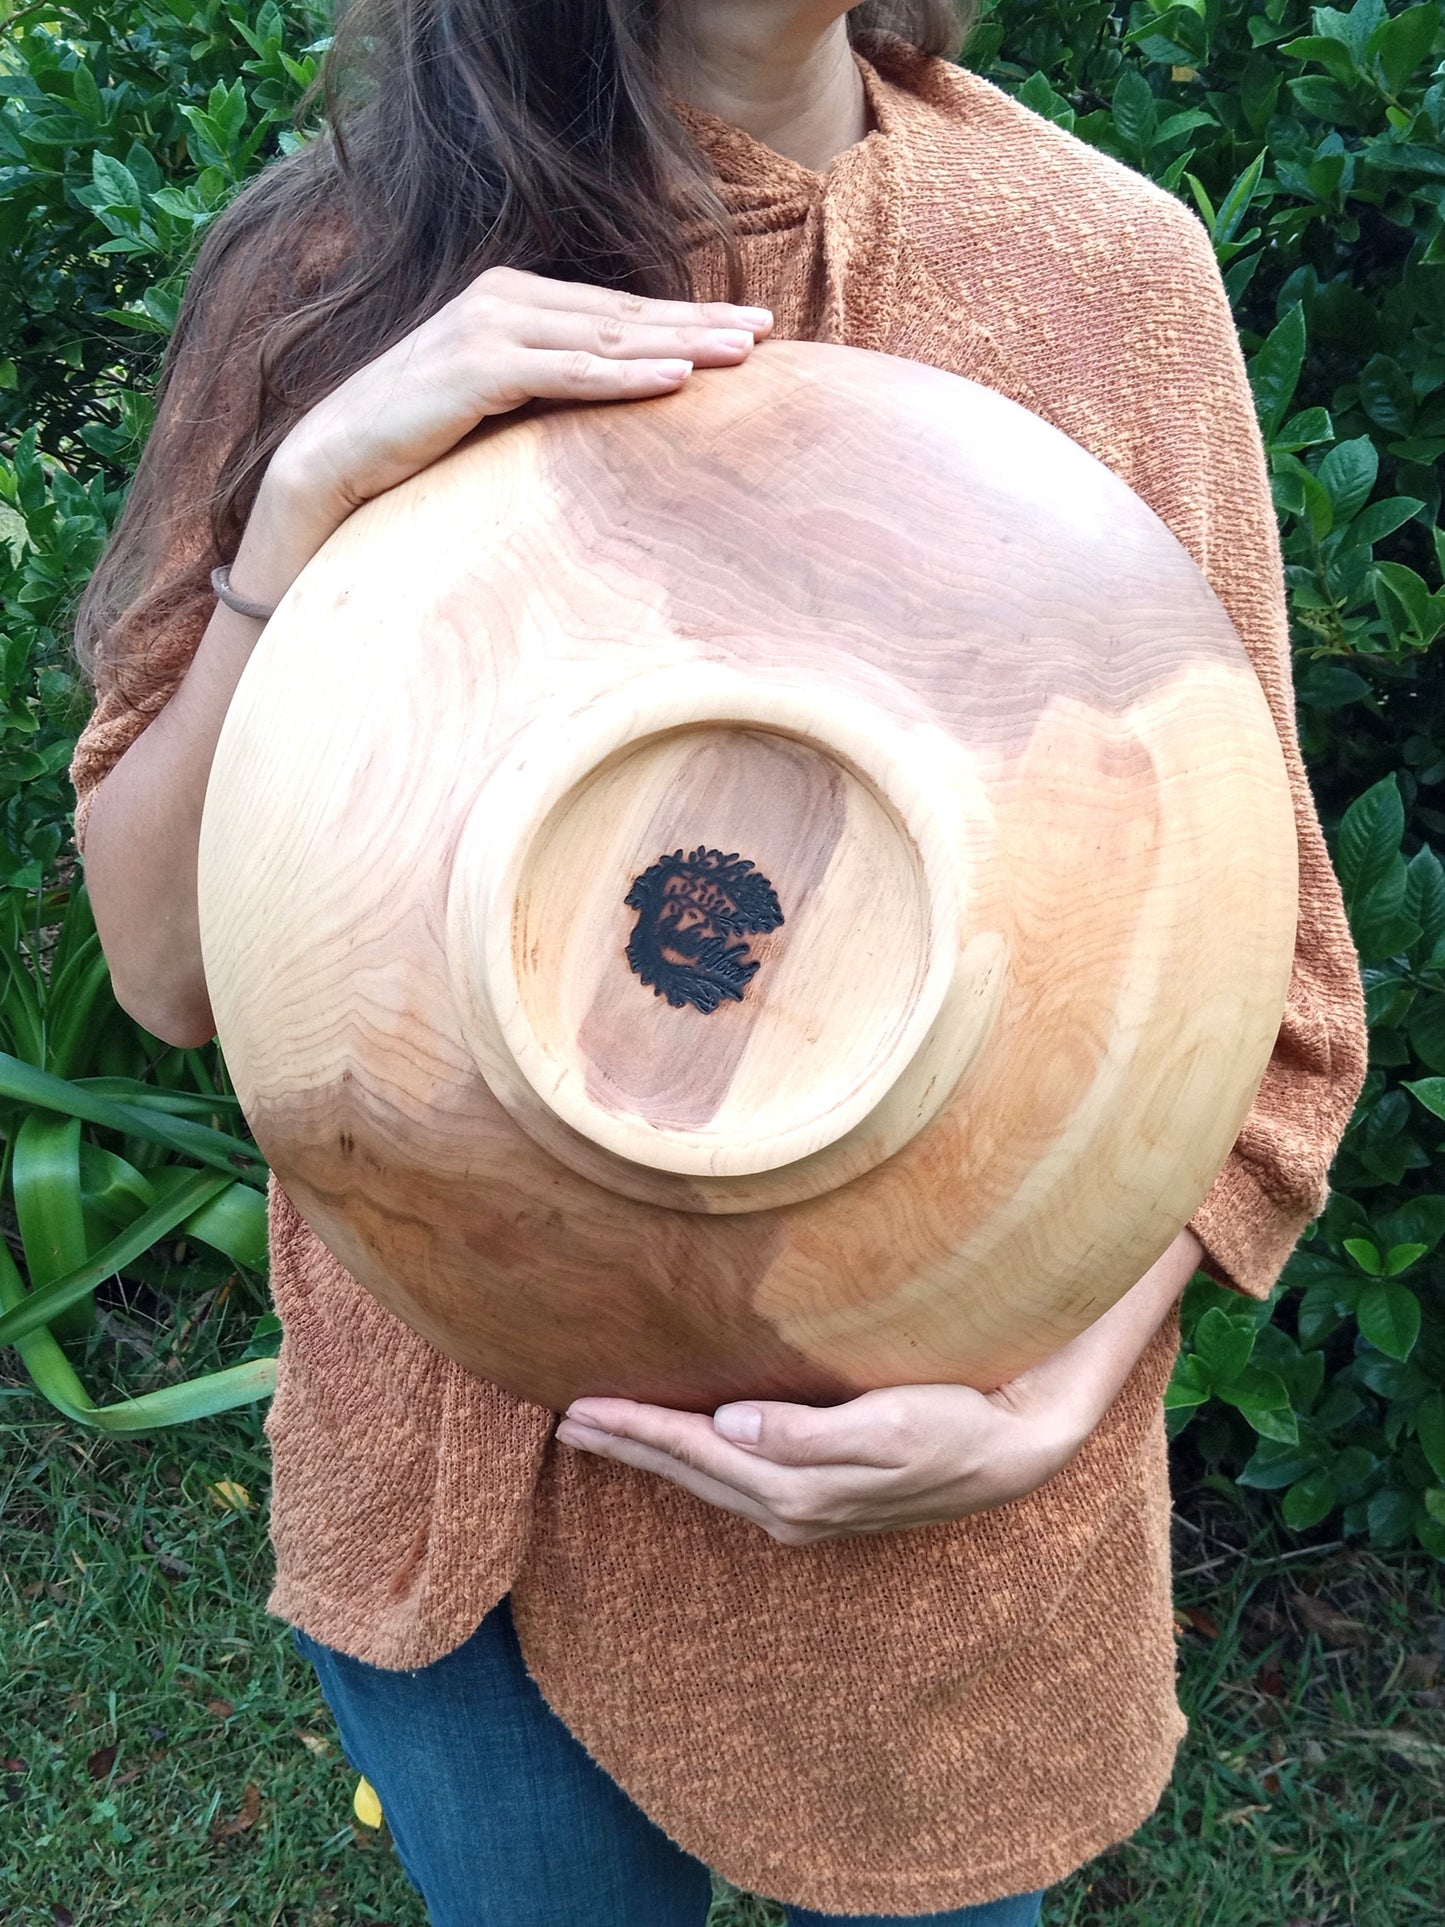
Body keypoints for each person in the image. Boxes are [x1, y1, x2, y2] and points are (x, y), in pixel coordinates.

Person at [67, 0, 1369, 1922]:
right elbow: (166, 971)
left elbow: (1273, 986)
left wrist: (1040, 1412)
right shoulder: (334, 263)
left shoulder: (1101, 274)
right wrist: (307, 500)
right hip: (465, 1513)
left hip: (940, 1525)